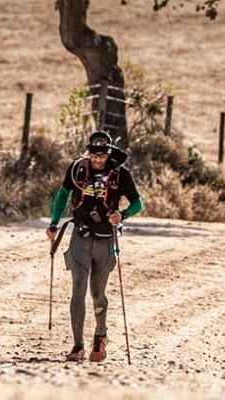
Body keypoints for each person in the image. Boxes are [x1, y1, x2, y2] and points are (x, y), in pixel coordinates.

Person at [46, 129, 143, 363]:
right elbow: (63, 195)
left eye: (102, 155)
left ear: (109, 153)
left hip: (106, 239)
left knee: (97, 294)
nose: (98, 159)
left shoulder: (120, 174)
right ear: (88, 152)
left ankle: (100, 336)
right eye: (94, 155)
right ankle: (77, 346)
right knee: (78, 289)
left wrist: (122, 215)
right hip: (80, 235)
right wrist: (54, 222)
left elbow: (137, 203)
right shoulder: (77, 169)